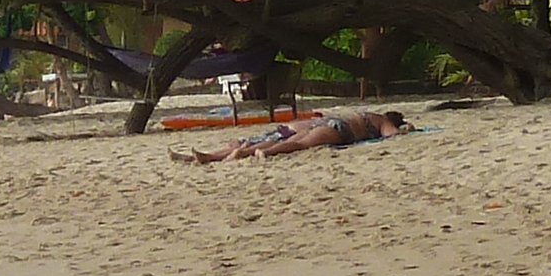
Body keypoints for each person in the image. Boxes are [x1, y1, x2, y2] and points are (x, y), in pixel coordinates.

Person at [175, 108, 411, 162]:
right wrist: (404, 130)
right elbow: (392, 136)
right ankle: (257, 152)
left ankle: (212, 156)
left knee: (289, 137)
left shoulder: (362, 112)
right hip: (339, 129)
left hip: (321, 121)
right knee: (299, 145)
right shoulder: (382, 121)